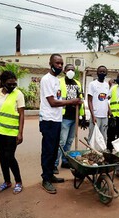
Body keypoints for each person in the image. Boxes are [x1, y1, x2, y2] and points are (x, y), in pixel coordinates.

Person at [39, 54, 82, 194]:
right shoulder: (46, 80)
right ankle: (45, 179)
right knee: (48, 150)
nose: (59, 65)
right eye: (57, 63)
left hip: (57, 119)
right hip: (48, 120)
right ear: (50, 63)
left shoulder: (56, 80)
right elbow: (52, 102)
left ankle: (50, 175)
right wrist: (72, 102)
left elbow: (59, 99)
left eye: (61, 63)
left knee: (53, 150)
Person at [0, 70, 25, 194]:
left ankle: (18, 182)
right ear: (2, 82)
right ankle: (7, 181)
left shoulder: (18, 94)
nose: (12, 86)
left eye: (14, 84)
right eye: (9, 84)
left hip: (12, 132)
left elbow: (21, 115)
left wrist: (20, 133)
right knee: (2, 157)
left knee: (9, 157)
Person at [53, 64, 85, 174]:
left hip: (74, 116)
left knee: (69, 141)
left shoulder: (78, 83)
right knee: (61, 141)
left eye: (72, 69)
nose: (71, 71)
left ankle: (65, 161)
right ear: (64, 71)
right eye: (68, 69)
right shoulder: (59, 82)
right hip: (64, 116)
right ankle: (54, 164)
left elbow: (81, 99)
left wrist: (83, 116)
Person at [88, 65, 110, 144]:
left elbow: (106, 100)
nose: (102, 73)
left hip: (104, 116)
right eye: (100, 71)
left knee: (103, 137)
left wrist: (109, 113)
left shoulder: (107, 85)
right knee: (92, 137)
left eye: (104, 72)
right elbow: (89, 100)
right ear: (97, 73)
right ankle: (89, 153)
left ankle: (102, 154)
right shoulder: (92, 84)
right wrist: (93, 115)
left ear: (106, 73)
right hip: (96, 116)